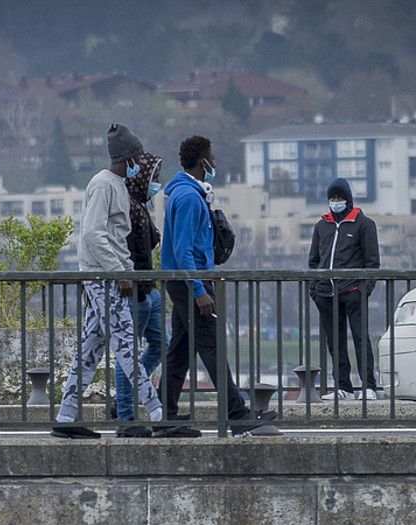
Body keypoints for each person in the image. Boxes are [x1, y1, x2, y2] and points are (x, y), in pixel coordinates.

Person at [52, 123, 164, 439]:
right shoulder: (103, 186)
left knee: (89, 352)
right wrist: (118, 272)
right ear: (127, 157)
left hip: (105, 278)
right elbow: (92, 233)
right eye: (138, 157)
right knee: (127, 346)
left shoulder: (116, 184)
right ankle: (157, 413)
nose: (141, 163)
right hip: (107, 280)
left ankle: (65, 417)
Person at [157, 134, 274, 437]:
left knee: (180, 351)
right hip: (190, 283)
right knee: (212, 347)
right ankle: (237, 417)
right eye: (212, 157)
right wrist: (199, 291)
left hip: (184, 281)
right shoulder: (188, 198)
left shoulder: (188, 194)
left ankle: (165, 417)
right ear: (202, 161)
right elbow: (183, 251)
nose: (216, 163)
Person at [307, 177, 380, 399]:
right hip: (325, 294)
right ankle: (343, 387)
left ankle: (368, 386)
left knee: (360, 338)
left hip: (353, 292)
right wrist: (315, 288)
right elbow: (313, 261)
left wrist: (363, 290)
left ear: (348, 199)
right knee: (335, 342)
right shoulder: (321, 226)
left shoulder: (364, 224)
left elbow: (372, 263)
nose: (335, 201)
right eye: (332, 198)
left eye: (339, 198)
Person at [111, 151, 165, 428]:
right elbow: (123, 248)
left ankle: (126, 396)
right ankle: (126, 416)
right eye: (154, 176)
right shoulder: (128, 208)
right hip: (136, 291)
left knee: (160, 345)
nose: (157, 182)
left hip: (149, 289)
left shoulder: (141, 206)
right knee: (127, 354)